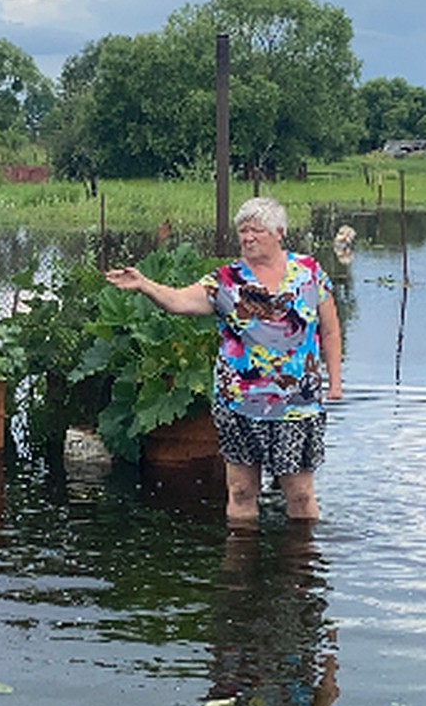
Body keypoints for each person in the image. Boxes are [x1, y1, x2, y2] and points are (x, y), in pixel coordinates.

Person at [105, 197, 343, 523]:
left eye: (256, 231)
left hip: (297, 404)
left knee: (300, 495)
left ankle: (299, 568)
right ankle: (240, 568)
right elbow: (179, 301)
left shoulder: (310, 273)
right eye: (243, 231)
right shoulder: (226, 281)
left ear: (279, 233)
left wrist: (336, 382)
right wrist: (145, 285)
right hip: (239, 404)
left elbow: (330, 331)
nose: (247, 238)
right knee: (242, 492)